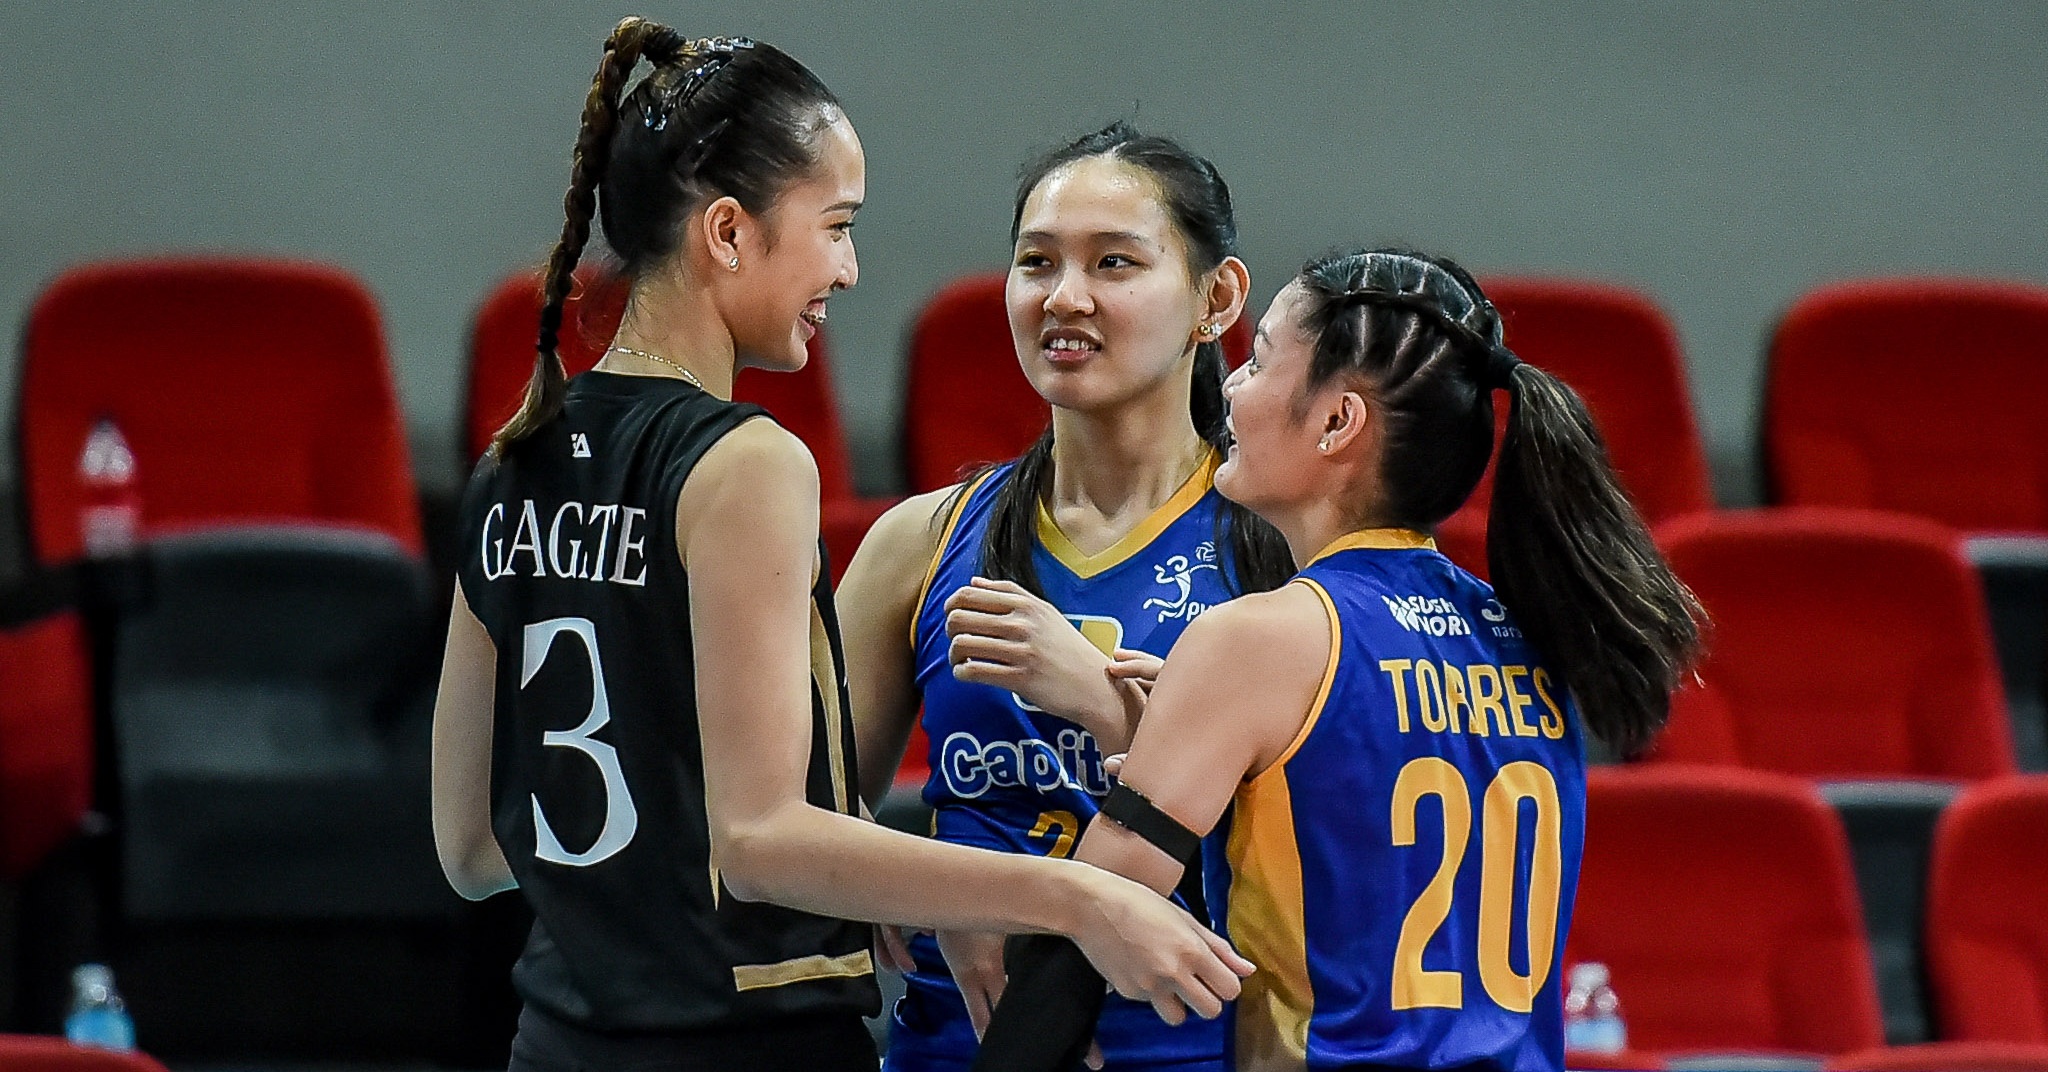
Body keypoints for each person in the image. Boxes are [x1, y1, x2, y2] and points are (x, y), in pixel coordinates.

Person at [429, 22, 1251, 1072]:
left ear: (1213, 299)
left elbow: (473, 844)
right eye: (836, 225)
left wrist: (913, 873)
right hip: (768, 1037)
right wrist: (1060, 894)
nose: (851, 267)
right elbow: (778, 837)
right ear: (729, 232)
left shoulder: (515, 456)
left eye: (1114, 262)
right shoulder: (792, 482)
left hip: (561, 1028)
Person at [972, 249, 1704, 1072]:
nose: (1233, 392)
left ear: (1336, 423)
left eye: (1256, 361)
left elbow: (1079, 933)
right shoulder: (1525, 632)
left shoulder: (1257, 639)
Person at [839, 123, 1294, 1072]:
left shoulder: (1287, 553)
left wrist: (1118, 711)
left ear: (1218, 298)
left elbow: (1331, 875)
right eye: (1036, 263)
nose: (1065, 297)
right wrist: (943, 892)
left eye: (1115, 263)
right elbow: (797, 831)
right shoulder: (916, 545)